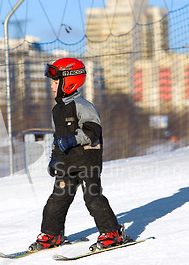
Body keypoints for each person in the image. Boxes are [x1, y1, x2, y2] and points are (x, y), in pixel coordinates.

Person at [29, 57, 126, 252]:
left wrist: (73, 139)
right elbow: (58, 138)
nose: (52, 87)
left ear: (69, 81)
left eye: (55, 82)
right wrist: (54, 159)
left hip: (87, 161)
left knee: (92, 197)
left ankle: (112, 232)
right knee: (58, 198)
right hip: (67, 163)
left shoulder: (83, 106)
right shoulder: (57, 109)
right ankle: (52, 234)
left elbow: (93, 131)